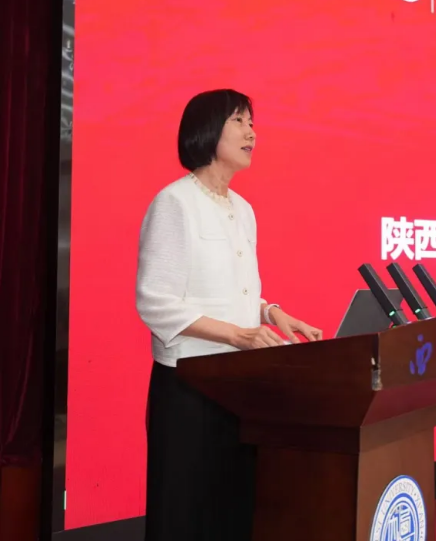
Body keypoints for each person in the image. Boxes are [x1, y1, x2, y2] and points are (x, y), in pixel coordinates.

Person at [135, 89, 322, 541]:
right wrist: (238, 335)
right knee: (185, 512)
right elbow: (156, 301)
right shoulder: (175, 203)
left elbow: (229, 290)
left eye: (252, 122)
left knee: (233, 506)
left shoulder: (243, 210)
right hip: (188, 384)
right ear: (206, 129)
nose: (251, 132)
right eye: (238, 121)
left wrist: (272, 313)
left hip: (238, 383)